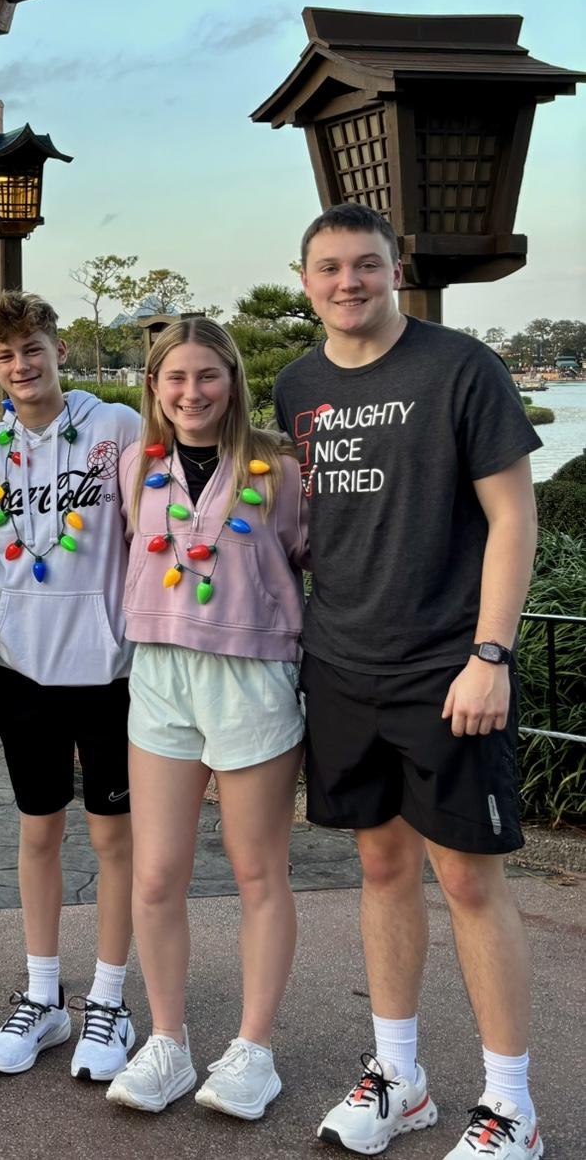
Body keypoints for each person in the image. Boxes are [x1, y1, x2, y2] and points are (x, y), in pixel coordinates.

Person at [276, 203, 544, 1160]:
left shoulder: (461, 367)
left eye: (365, 265)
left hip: (447, 667)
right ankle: (401, 1078)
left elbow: (513, 518)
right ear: (304, 279)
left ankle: (510, 1103)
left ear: (395, 270)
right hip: (342, 664)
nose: (347, 282)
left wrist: (492, 653)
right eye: (329, 268)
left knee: (468, 879)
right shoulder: (296, 384)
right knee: (380, 867)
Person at [103, 318, 307, 1120]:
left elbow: (320, 558)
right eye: (174, 378)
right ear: (153, 386)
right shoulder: (135, 467)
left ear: (232, 380)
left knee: (258, 870)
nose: (191, 393)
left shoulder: (284, 468)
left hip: (251, 674)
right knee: (156, 875)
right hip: (159, 674)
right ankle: (168, 1042)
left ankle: (254, 1050)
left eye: (207, 376)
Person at [0, 290, 140, 1082]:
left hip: (108, 670)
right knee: (39, 831)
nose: (21, 366)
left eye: (32, 349)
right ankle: (44, 995)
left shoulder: (116, 428)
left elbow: (157, 529)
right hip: (23, 669)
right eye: (5, 357)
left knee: (112, 838)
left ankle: (110, 998)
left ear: (58, 350)